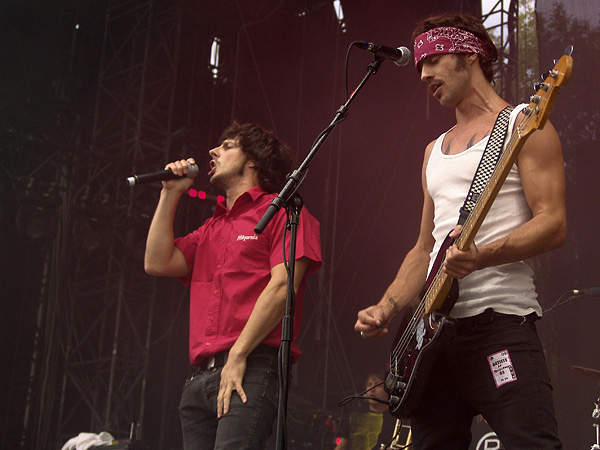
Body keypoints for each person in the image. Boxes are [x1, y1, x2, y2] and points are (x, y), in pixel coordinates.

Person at [354, 13, 565, 449]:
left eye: (432, 60)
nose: (424, 74)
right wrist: (386, 306)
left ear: (468, 54)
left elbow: (553, 224)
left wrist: (482, 257)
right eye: (419, 68)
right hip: (433, 339)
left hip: (501, 323)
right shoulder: (433, 150)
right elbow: (423, 249)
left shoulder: (525, 126)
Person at [144, 122, 322, 449]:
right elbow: (157, 262)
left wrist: (238, 355)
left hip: (250, 366)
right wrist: (170, 194)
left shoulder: (282, 214)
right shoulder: (213, 227)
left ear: (252, 160)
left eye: (227, 146)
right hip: (200, 378)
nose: (213, 152)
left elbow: (283, 287)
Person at [334, 372, 400, 450]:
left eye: (378, 385)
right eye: (369, 385)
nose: (372, 389)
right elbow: (343, 444)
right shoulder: (356, 415)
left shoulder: (395, 419)